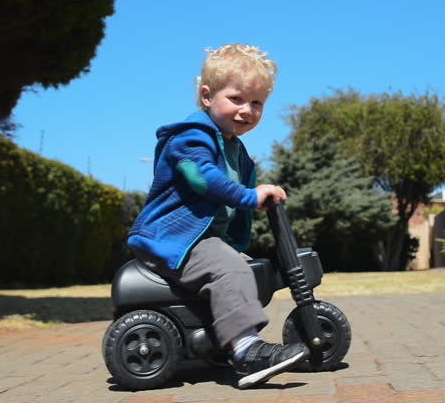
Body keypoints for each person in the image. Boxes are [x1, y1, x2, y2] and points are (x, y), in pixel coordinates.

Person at [127, 44, 309, 389]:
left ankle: (218, 341)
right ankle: (245, 351)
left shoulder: (234, 147)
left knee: (251, 271)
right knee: (230, 269)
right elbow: (203, 179)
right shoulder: (190, 138)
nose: (247, 110)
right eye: (237, 99)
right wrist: (249, 197)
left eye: (256, 103)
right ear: (207, 96)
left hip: (200, 241)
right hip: (173, 240)